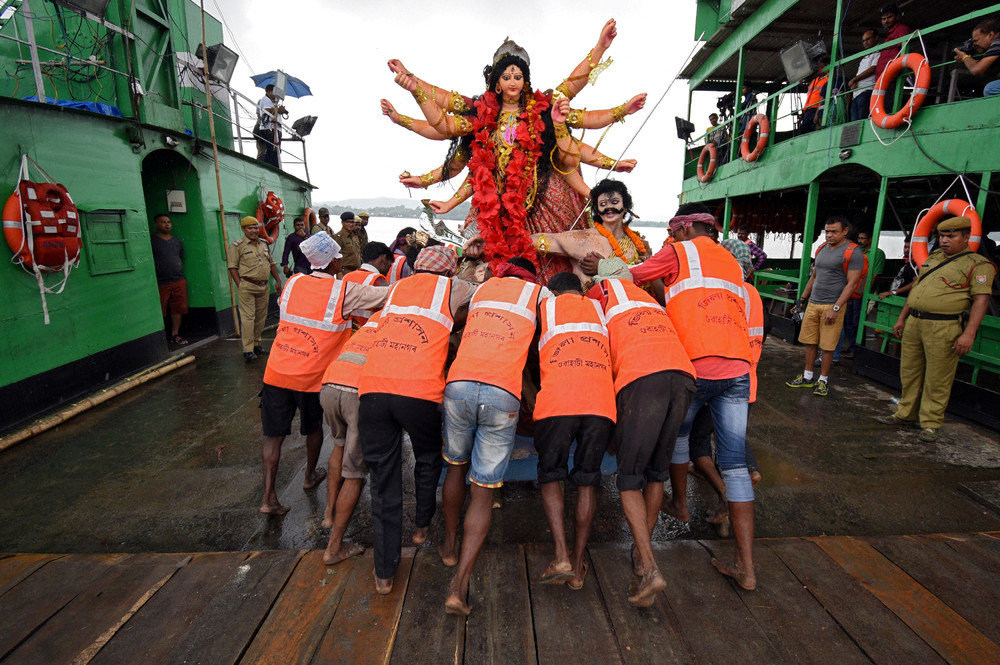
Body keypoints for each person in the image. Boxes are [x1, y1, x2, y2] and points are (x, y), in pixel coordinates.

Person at [383, 21, 645, 280]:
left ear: (526, 78)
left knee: (555, 259)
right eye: (505, 76)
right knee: (483, 264)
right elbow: (442, 124)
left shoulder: (544, 109)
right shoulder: (478, 113)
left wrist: (602, 52)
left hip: (542, 200)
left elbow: (578, 120)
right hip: (493, 206)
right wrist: (412, 87)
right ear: (495, 81)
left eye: (518, 76)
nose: (512, 82)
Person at [630, 203, 756, 590]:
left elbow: (628, 275)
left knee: (676, 440)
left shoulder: (678, 251)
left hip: (695, 366)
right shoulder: (734, 264)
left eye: (673, 231)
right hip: (738, 370)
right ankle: (746, 568)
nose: (670, 238)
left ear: (683, 229)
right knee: (734, 465)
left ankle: (679, 507)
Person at [358, 245, 477, 595]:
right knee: (426, 459)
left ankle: (383, 573)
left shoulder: (395, 287)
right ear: (449, 271)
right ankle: (422, 527)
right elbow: (484, 288)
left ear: (416, 267)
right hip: (419, 393)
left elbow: (363, 297)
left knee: (383, 482)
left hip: (374, 390)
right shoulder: (453, 288)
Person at [439, 256, 544, 616]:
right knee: (483, 492)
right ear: (532, 276)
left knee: (455, 467)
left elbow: (456, 320)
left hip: (459, 385)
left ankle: (449, 546)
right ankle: (459, 586)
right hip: (503, 394)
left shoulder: (482, 289)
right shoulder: (537, 294)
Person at [589, 259, 695, 606]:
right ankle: (641, 554)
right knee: (655, 472)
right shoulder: (649, 298)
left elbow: (593, 351)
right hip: (683, 376)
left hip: (642, 377)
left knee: (628, 476)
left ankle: (650, 568)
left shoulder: (600, 292)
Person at [259, 233, 389, 515]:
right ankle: (308, 476)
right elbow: (384, 296)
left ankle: (268, 499)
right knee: (314, 429)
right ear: (334, 261)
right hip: (312, 378)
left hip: (277, 372)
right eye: (339, 256)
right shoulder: (341, 292)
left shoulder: (293, 283)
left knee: (273, 438)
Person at [532, 271, 616, 593]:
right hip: (600, 404)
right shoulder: (599, 308)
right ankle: (579, 568)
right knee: (587, 482)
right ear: (580, 291)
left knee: (551, 475)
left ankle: (562, 556)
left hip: (558, 402)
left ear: (551, 292)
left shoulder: (545, 309)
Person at [879, 216, 996, 442]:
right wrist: (902, 318)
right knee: (909, 371)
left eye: (951, 236)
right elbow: (917, 291)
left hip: (943, 325)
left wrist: (969, 333)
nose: (944, 240)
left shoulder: (977, 264)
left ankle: (930, 423)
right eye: (942, 236)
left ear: (966, 237)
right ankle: (905, 413)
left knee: (938, 377)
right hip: (915, 321)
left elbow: (981, 301)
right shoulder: (933, 258)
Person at [320, 318, 381, 564]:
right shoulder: (402, 324)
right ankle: (334, 548)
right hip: (355, 391)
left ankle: (328, 514)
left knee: (339, 444)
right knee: (355, 472)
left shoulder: (372, 321)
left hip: (330, 383)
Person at [786, 217, 864, 395]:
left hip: (832, 305)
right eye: (827, 231)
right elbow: (814, 276)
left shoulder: (853, 251)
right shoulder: (822, 248)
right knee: (810, 342)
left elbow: (852, 284)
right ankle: (807, 377)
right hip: (814, 303)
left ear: (845, 231)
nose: (829, 235)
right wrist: (802, 300)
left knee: (828, 346)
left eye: (834, 232)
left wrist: (836, 308)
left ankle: (823, 380)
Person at [524, 179, 650, 285]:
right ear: (596, 209)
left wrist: (648, 259)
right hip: (593, 308)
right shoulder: (582, 239)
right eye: (603, 204)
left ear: (625, 207)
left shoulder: (637, 243)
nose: (608, 208)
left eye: (615, 202)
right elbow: (529, 241)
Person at [227, 216, 283, 362]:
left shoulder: (263, 244)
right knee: (248, 318)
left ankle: (257, 344)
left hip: (263, 286)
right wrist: (240, 284)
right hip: (247, 286)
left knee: (260, 317)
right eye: (250, 228)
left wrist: (277, 280)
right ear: (243, 230)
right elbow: (232, 266)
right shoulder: (237, 246)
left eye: (255, 227)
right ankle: (247, 349)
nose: (253, 231)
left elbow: (271, 263)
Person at [150, 213, 188, 345]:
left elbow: (180, 257)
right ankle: (160, 337)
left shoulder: (177, 241)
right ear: (156, 224)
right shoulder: (151, 240)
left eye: (168, 222)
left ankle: (175, 334)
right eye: (162, 222)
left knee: (178, 308)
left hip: (178, 280)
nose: (167, 224)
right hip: (160, 282)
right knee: (161, 309)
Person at [341, 242, 393, 328]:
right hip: (367, 332)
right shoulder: (378, 281)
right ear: (383, 259)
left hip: (346, 333)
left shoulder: (347, 277)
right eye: (389, 264)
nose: (389, 269)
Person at [954, 17, 1000, 97]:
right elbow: (992, 72)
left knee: (990, 89)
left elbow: (976, 69)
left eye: (976, 40)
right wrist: (971, 59)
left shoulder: (998, 42)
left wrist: (965, 57)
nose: (974, 45)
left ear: (990, 35)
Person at [849, 30, 880, 121]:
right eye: (863, 41)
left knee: (863, 120)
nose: (865, 43)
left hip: (867, 91)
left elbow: (873, 69)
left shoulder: (878, 53)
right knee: (854, 124)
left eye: (868, 39)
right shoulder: (865, 56)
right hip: (857, 93)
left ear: (876, 38)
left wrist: (855, 79)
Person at [875, 5, 912, 81]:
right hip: (883, 74)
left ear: (897, 17)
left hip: (893, 73)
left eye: (890, 17)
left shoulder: (902, 29)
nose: (886, 21)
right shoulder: (890, 34)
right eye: (884, 19)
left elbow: (903, 49)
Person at [255, 84, 286, 168]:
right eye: (274, 92)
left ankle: (271, 166)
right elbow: (266, 110)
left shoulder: (273, 102)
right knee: (272, 150)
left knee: (274, 150)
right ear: (269, 91)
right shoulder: (265, 100)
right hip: (269, 128)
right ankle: (271, 167)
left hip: (275, 129)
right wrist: (278, 110)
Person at [879, 235, 918, 300]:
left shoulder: (915, 264)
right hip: (896, 297)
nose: (907, 250)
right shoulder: (907, 262)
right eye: (905, 247)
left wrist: (894, 292)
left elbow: (915, 282)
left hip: (903, 300)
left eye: (910, 248)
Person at [800, 57, 831, 133]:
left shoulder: (828, 79)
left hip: (817, 109)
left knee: (814, 131)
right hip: (807, 110)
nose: (819, 68)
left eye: (822, 66)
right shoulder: (814, 80)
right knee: (804, 132)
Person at [333, 212, 362, 276]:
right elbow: (336, 257)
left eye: (352, 222)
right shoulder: (339, 237)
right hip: (345, 271)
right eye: (348, 222)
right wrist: (339, 274)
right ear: (342, 223)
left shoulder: (354, 237)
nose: (351, 224)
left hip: (356, 271)